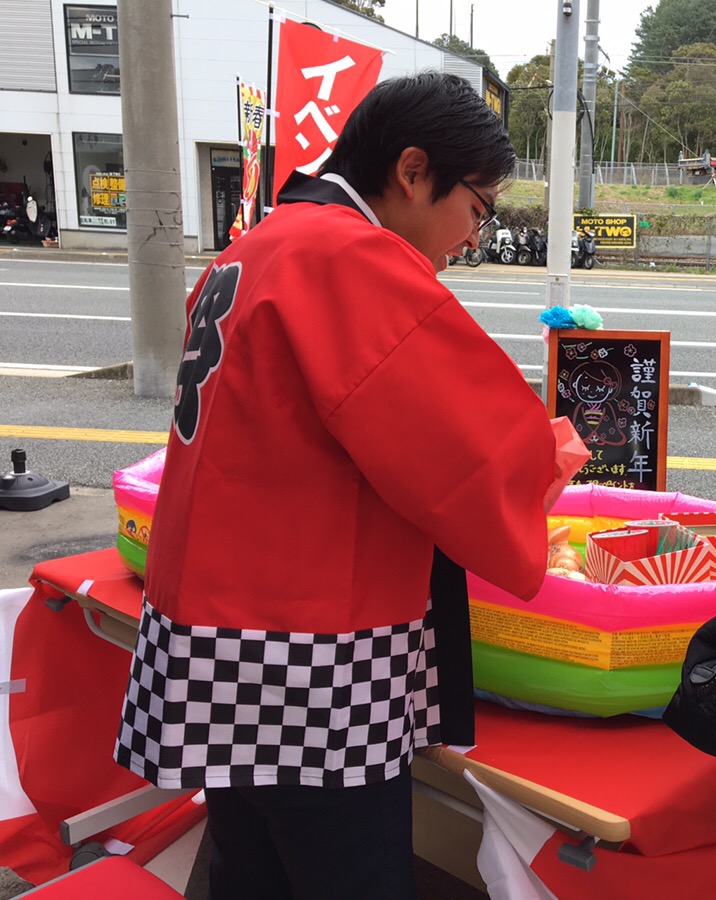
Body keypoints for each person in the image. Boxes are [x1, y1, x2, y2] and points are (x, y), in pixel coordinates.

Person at [114, 73, 564, 899]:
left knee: (252, 870)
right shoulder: (349, 257)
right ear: (414, 170)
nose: (473, 234)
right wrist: (555, 455)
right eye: (480, 205)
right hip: (308, 659)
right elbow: (466, 448)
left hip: (217, 635)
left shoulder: (263, 240)